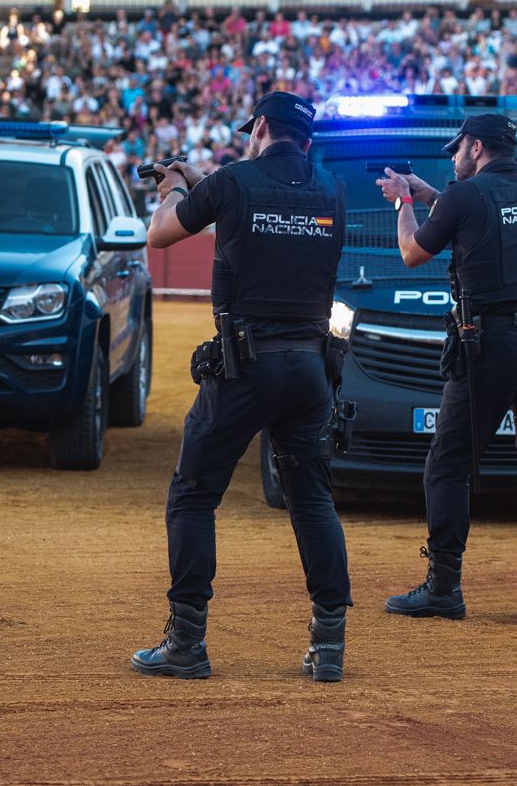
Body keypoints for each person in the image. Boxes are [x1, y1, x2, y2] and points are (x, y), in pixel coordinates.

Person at [131, 91, 352, 683]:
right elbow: (261, 199)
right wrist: (198, 180)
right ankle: (329, 644)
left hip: (246, 367)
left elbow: (160, 235)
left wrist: (173, 187)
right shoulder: (331, 189)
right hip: (309, 367)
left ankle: (187, 642)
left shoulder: (232, 182)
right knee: (312, 501)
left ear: (258, 127)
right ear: (305, 138)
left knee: (194, 494)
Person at [373, 113, 517, 625]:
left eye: (457, 148)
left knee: (449, 462)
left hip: (493, 343)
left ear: (476, 147)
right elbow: (479, 216)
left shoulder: (465, 195)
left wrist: (404, 200)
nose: (453, 157)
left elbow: (412, 252)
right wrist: (429, 190)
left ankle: (443, 587)